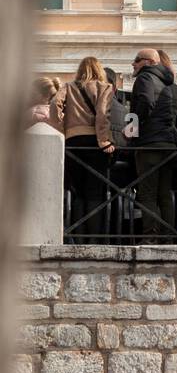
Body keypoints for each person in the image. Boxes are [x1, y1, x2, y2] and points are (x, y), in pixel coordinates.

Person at [50, 56, 115, 242]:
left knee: (78, 191)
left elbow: (55, 104)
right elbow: (103, 115)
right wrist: (104, 141)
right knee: (94, 192)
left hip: (72, 142)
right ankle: (93, 239)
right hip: (94, 143)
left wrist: (61, 131)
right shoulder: (105, 87)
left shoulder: (68, 87)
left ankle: (77, 238)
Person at [128, 47, 177, 240]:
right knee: (164, 192)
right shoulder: (174, 86)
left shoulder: (144, 78)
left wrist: (131, 130)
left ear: (150, 62)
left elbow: (143, 104)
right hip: (169, 144)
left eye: (137, 59)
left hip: (149, 143)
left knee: (148, 193)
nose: (133, 63)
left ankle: (150, 235)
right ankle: (168, 235)